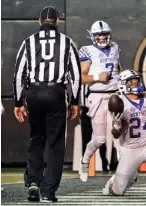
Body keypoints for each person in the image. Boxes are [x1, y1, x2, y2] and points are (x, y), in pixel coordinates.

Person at [13, 6, 81, 202]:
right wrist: (75, 101)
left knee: (36, 138)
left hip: (33, 94)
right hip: (56, 93)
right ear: (58, 21)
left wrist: (18, 102)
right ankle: (48, 191)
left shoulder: (28, 42)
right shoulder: (67, 43)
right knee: (55, 143)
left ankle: (33, 181)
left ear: (39, 21)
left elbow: (19, 74)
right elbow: (75, 77)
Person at [78, 20, 122, 182]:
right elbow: (80, 78)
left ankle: (126, 172)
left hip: (115, 96)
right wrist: (98, 77)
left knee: (119, 137)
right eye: (98, 35)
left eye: (104, 34)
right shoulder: (87, 51)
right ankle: (85, 161)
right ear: (92, 36)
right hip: (97, 97)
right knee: (100, 139)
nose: (102, 37)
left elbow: (118, 68)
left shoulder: (116, 47)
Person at [79, 84, 109, 172]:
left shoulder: (96, 82)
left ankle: (104, 163)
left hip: (97, 108)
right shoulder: (82, 81)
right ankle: (85, 164)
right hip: (86, 109)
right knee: (86, 138)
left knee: (100, 138)